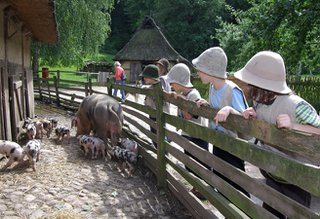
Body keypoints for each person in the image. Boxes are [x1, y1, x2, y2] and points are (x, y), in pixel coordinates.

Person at [217, 51, 320, 218]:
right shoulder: (260, 103)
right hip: (273, 172)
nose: (245, 87)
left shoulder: (296, 105)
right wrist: (253, 115)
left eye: (249, 83)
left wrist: (293, 125)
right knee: (269, 212)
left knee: (296, 214)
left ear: (261, 86)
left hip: (297, 179)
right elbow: (264, 121)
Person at [193, 47, 249, 196]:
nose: (198, 73)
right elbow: (216, 108)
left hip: (233, 147)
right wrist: (207, 105)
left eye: (199, 69)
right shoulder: (213, 87)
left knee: (237, 186)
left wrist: (230, 109)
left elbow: (246, 119)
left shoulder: (232, 90)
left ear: (209, 71)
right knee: (221, 182)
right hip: (218, 142)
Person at [166, 63, 209, 199]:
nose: (171, 86)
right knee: (190, 164)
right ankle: (197, 188)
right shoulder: (186, 94)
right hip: (189, 134)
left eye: (172, 83)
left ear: (179, 81)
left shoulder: (193, 94)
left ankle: (202, 191)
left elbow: (188, 116)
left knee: (197, 164)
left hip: (196, 136)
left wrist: (180, 101)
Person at [139, 64, 163, 147]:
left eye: (146, 77)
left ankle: (160, 150)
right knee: (153, 133)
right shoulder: (152, 86)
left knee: (159, 134)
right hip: (152, 114)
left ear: (152, 77)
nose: (144, 78)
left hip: (158, 116)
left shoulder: (159, 87)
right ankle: (157, 148)